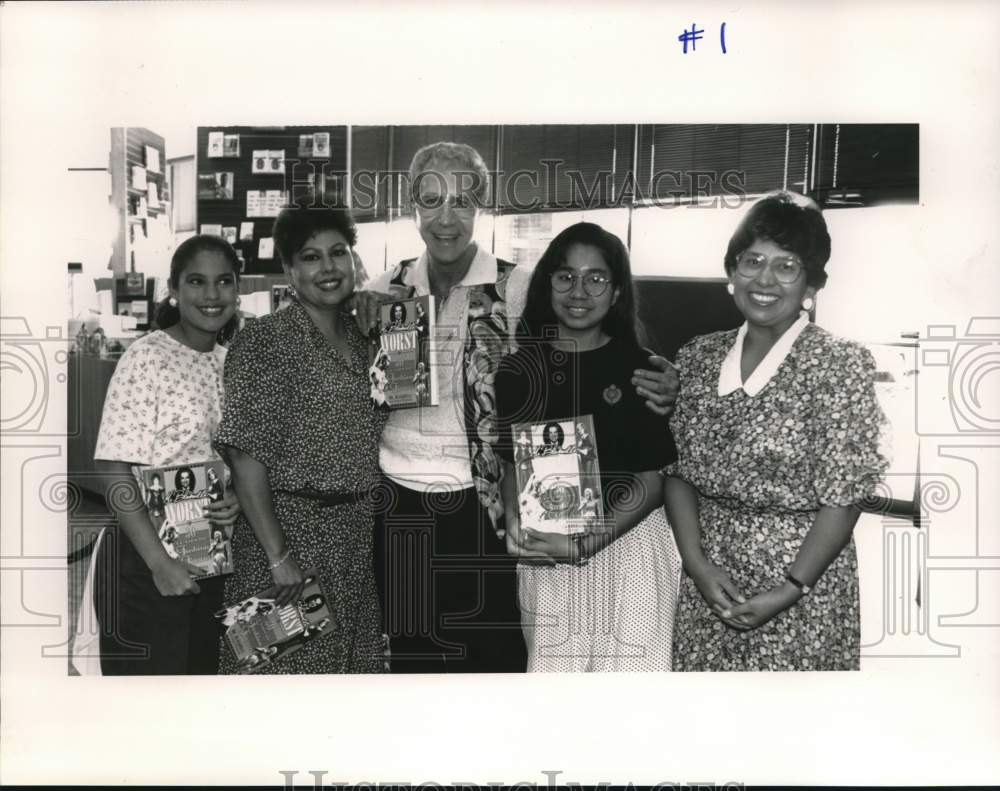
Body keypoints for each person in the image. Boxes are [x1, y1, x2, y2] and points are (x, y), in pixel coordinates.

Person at [354, 142, 680, 674]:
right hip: (398, 504)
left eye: (462, 201)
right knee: (414, 651)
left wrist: (663, 375)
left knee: (495, 659)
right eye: (431, 199)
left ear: (480, 207)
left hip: (486, 503)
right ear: (411, 204)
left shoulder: (519, 287)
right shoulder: (381, 291)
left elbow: (590, 352)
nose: (446, 217)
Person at [664, 192, 889, 671]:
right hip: (709, 580)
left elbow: (843, 497)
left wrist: (790, 588)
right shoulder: (697, 357)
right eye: (753, 261)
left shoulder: (839, 364)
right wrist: (697, 564)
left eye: (787, 266)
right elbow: (677, 471)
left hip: (801, 587)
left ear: (812, 283)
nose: (765, 280)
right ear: (731, 271)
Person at [494, 221, 681, 672]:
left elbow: (653, 481)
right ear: (547, 284)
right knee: (556, 702)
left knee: (631, 704)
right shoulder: (519, 372)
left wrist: (585, 544)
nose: (579, 291)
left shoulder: (641, 370)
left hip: (631, 553)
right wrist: (516, 519)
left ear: (617, 291)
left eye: (596, 278)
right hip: (549, 554)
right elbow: (511, 468)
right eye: (566, 277)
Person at [215, 206, 387, 674]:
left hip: (353, 538)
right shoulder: (265, 341)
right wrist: (279, 557)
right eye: (311, 257)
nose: (328, 268)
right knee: (277, 685)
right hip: (287, 538)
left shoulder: (366, 337)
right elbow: (245, 454)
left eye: (338, 252)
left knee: (349, 682)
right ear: (290, 271)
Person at [92, 234, 243, 675]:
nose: (211, 295)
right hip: (146, 556)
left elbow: (221, 455)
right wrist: (159, 563)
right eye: (196, 282)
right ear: (174, 291)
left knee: (197, 685)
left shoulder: (227, 361)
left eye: (224, 281)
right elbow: (111, 466)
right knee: (148, 698)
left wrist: (233, 494)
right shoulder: (147, 357)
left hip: (209, 553)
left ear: (237, 289)